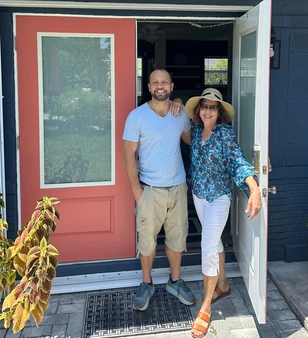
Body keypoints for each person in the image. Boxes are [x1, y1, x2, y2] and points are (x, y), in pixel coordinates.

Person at [183, 88, 261, 338]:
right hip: (199, 195)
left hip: (218, 198)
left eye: (212, 107)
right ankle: (224, 285)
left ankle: (206, 306)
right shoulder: (196, 131)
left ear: (219, 113)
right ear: (198, 111)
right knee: (213, 240)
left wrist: (254, 188)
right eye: (204, 106)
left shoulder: (225, 134)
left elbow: (238, 161)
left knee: (207, 245)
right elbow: (184, 138)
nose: (207, 111)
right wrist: (174, 101)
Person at [122, 69, 196, 312]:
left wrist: (183, 106)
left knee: (177, 238)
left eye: (164, 82)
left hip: (177, 187)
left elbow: (189, 140)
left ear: (172, 86)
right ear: (149, 86)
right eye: (155, 82)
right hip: (150, 190)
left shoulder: (180, 113)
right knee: (147, 241)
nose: (160, 86)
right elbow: (129, 156)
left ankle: (175, 281)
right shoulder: (137, 117)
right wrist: (137, 192)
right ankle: (146, 284)